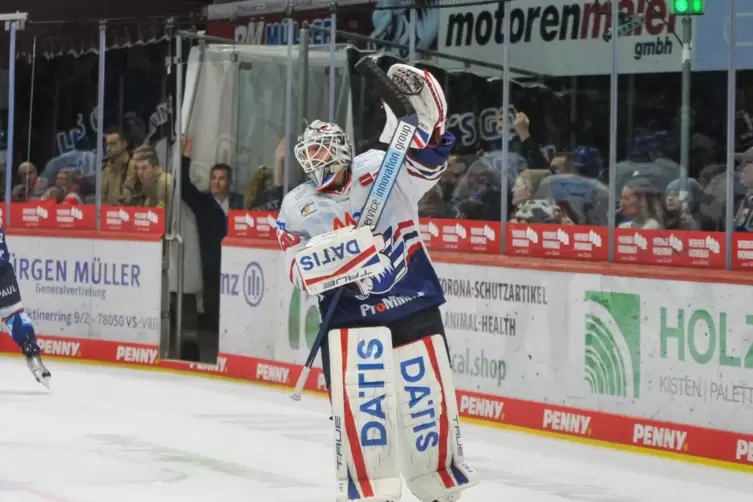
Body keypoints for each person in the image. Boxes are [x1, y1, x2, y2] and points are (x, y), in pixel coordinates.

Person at [276, 64, 476, 502]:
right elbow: (296, 269)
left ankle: (440, 485)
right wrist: (340, 253)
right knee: (360, 409)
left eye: (326, 152)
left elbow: (428, 166)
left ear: (343, 148)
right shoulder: (296, 206)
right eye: (312, 155)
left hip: (410, 301)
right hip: (348, 318)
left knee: (427, 400)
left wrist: (428, 130)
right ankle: (371, 491)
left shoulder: (381, 166)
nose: (319, 161)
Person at [0, 223, 51, 388]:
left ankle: (33, 356)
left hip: (3, 276)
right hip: (3, 275)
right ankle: (34, 357)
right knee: (15, 317)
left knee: (15, 317)